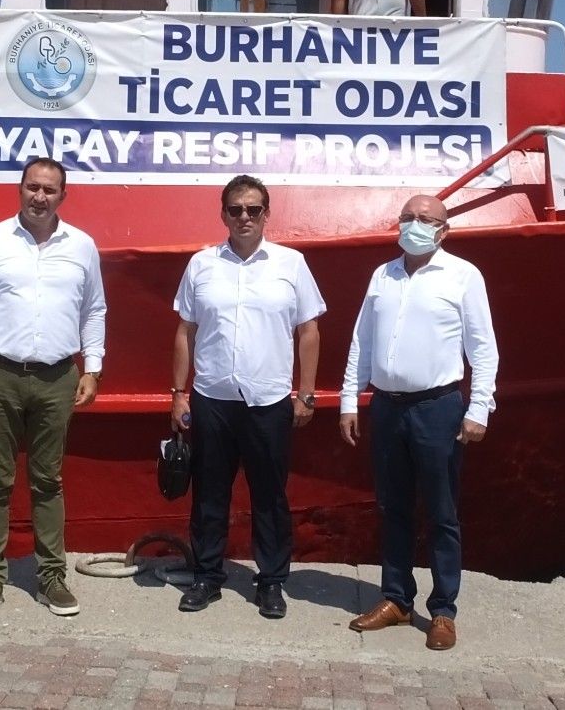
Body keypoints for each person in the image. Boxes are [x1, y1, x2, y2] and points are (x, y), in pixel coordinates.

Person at [0, 157, 106, 620]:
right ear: (20, 189)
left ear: (63, 196)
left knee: (48, 481)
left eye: (49, 190)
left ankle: (51, 575)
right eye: (33, 187)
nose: (40, 197)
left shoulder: (82, 246)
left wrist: (93, 368)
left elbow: (94, 309)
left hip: (58, 377)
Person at [338, 194, 498, 651]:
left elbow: (483, 348)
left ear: (444, 230)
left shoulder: (463, 275)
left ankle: (443, 610)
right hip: (387, 407)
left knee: (442, 512)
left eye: (426, 219)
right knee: (393, 507)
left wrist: (479, 408)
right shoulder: (382, 275)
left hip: (437, 407)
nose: (415, 224)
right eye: (408, 217)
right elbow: (362, 341)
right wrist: (350, 399)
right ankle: (396, 599)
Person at [170, 175, 325, 619]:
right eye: (235, 209)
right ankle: (206, 577)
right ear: (223, 214)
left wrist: (307, 394)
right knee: (209, 493)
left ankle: (271, 582)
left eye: (253, 209)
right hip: (212, 397)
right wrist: (178, 393)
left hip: (269, 400)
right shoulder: (201, 264)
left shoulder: (291, 264)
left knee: (270, 496)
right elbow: (185, 330)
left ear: (266, 214)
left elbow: (309, 330)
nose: (244, 217)